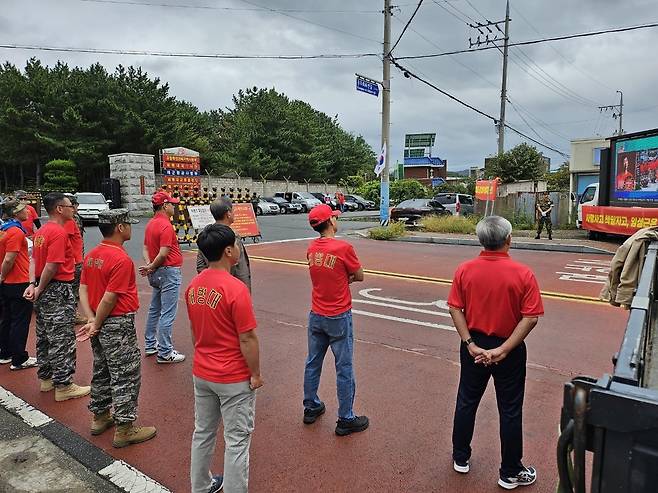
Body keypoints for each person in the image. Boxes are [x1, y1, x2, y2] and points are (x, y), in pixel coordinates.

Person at [448, 216, 543, 489]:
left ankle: (460, 457)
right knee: (510, 410)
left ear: (481, 240)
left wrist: (470, 344)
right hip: (509, 348)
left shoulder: (465, 270)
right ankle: (510, 471)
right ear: (508, 240)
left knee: (466, 400)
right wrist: (503, 349)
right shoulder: (523, 273)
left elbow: (455, 307)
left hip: (473, 345)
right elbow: (531, 317)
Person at [187, 224, 262, 493]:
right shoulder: (236, 289)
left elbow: (196, 330)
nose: (240, 249)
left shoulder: (194, 285)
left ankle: (201, 487)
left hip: (203, 371)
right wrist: (255, 373)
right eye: (238, 244)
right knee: (237, 441)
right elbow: (248, 338)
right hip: (232, 376)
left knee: (203, 432)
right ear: (229, 250)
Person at [79, 209, 157, 448]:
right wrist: (98, 322)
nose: (131, 229)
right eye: (128, 225)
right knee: (125, 374)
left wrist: (92, 320)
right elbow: (110, 298)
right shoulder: (121, 259)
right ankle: (125, 428)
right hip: (116, 322)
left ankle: (100, 416)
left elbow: (82, 289)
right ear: (120, 228)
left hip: (99, 322)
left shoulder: (93, 254)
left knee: (102, 368)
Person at [302, 204, 368, 436]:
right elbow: (359, 275)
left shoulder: (312, 248)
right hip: (338, 315)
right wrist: (346, 277)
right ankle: (346, 418)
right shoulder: (343, 247)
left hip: (316, 314)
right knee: (344, 367)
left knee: (313, 361)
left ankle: (310, 406)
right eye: (334, 217)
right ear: (330, 222)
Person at [25, 192, 90, 401]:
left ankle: (47, 379)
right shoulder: (59, 233)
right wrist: (40, 287)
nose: (73, 209)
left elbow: (34, 261)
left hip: (43, 289)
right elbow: (52, 265)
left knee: (44, 335)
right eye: (70, 205)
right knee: (61, 337)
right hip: (57, 289)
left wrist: (33, 285)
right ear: (60, 209)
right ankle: (64, 385)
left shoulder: (42, 231)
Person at [139, 190, 185, 363]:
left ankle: (151, 344)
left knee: (154, 309)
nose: (174, 206)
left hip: (156, 273)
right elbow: (164, 252)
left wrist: (150, 265)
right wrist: (152, 265)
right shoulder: (165, 225)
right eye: (172, 204)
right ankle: (165, 351)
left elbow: (145, 248)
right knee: (168, 312)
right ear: (165, 206)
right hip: (168, 271)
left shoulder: (151, 223)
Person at [0, 199, 37, 370]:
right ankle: (19, 358)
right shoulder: (16, 232)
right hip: (18, 280)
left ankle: (5, 353)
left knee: (7, 319)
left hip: (8, 282)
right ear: (15, 213)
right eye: (23, 209)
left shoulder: (4, 229)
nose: (28, 211)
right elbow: (9, 258)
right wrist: (2, 275)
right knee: (20, 321)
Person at [195, 197, 251, 291]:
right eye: (233, 210)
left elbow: (200, 265)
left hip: (213, 289)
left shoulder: (207, 234)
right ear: (228, 213)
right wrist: (245, 291)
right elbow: (240, 269)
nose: (234, 213)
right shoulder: (231, 236)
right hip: (233, 290)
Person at [63, 194, 86, 324]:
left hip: (76, 257)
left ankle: (70, 312)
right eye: (73, 205)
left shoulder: (73, 218)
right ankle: (72, 314)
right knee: (73, 289)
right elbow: (67, 240)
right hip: (73, 261)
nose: (76, 207)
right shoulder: (70, 221)